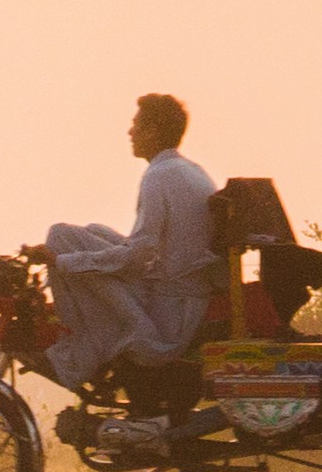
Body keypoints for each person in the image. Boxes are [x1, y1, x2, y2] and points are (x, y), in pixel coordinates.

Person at [41, 93, 219, 388]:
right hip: (184, 293)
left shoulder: (158, 176)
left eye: (136, 125)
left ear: (152, 131)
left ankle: (80, 353)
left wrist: (61, 261)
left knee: (60, 237)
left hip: (169, 309)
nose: (130, 132)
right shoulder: (190, 171)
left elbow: (137, 254)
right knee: (94, 230)